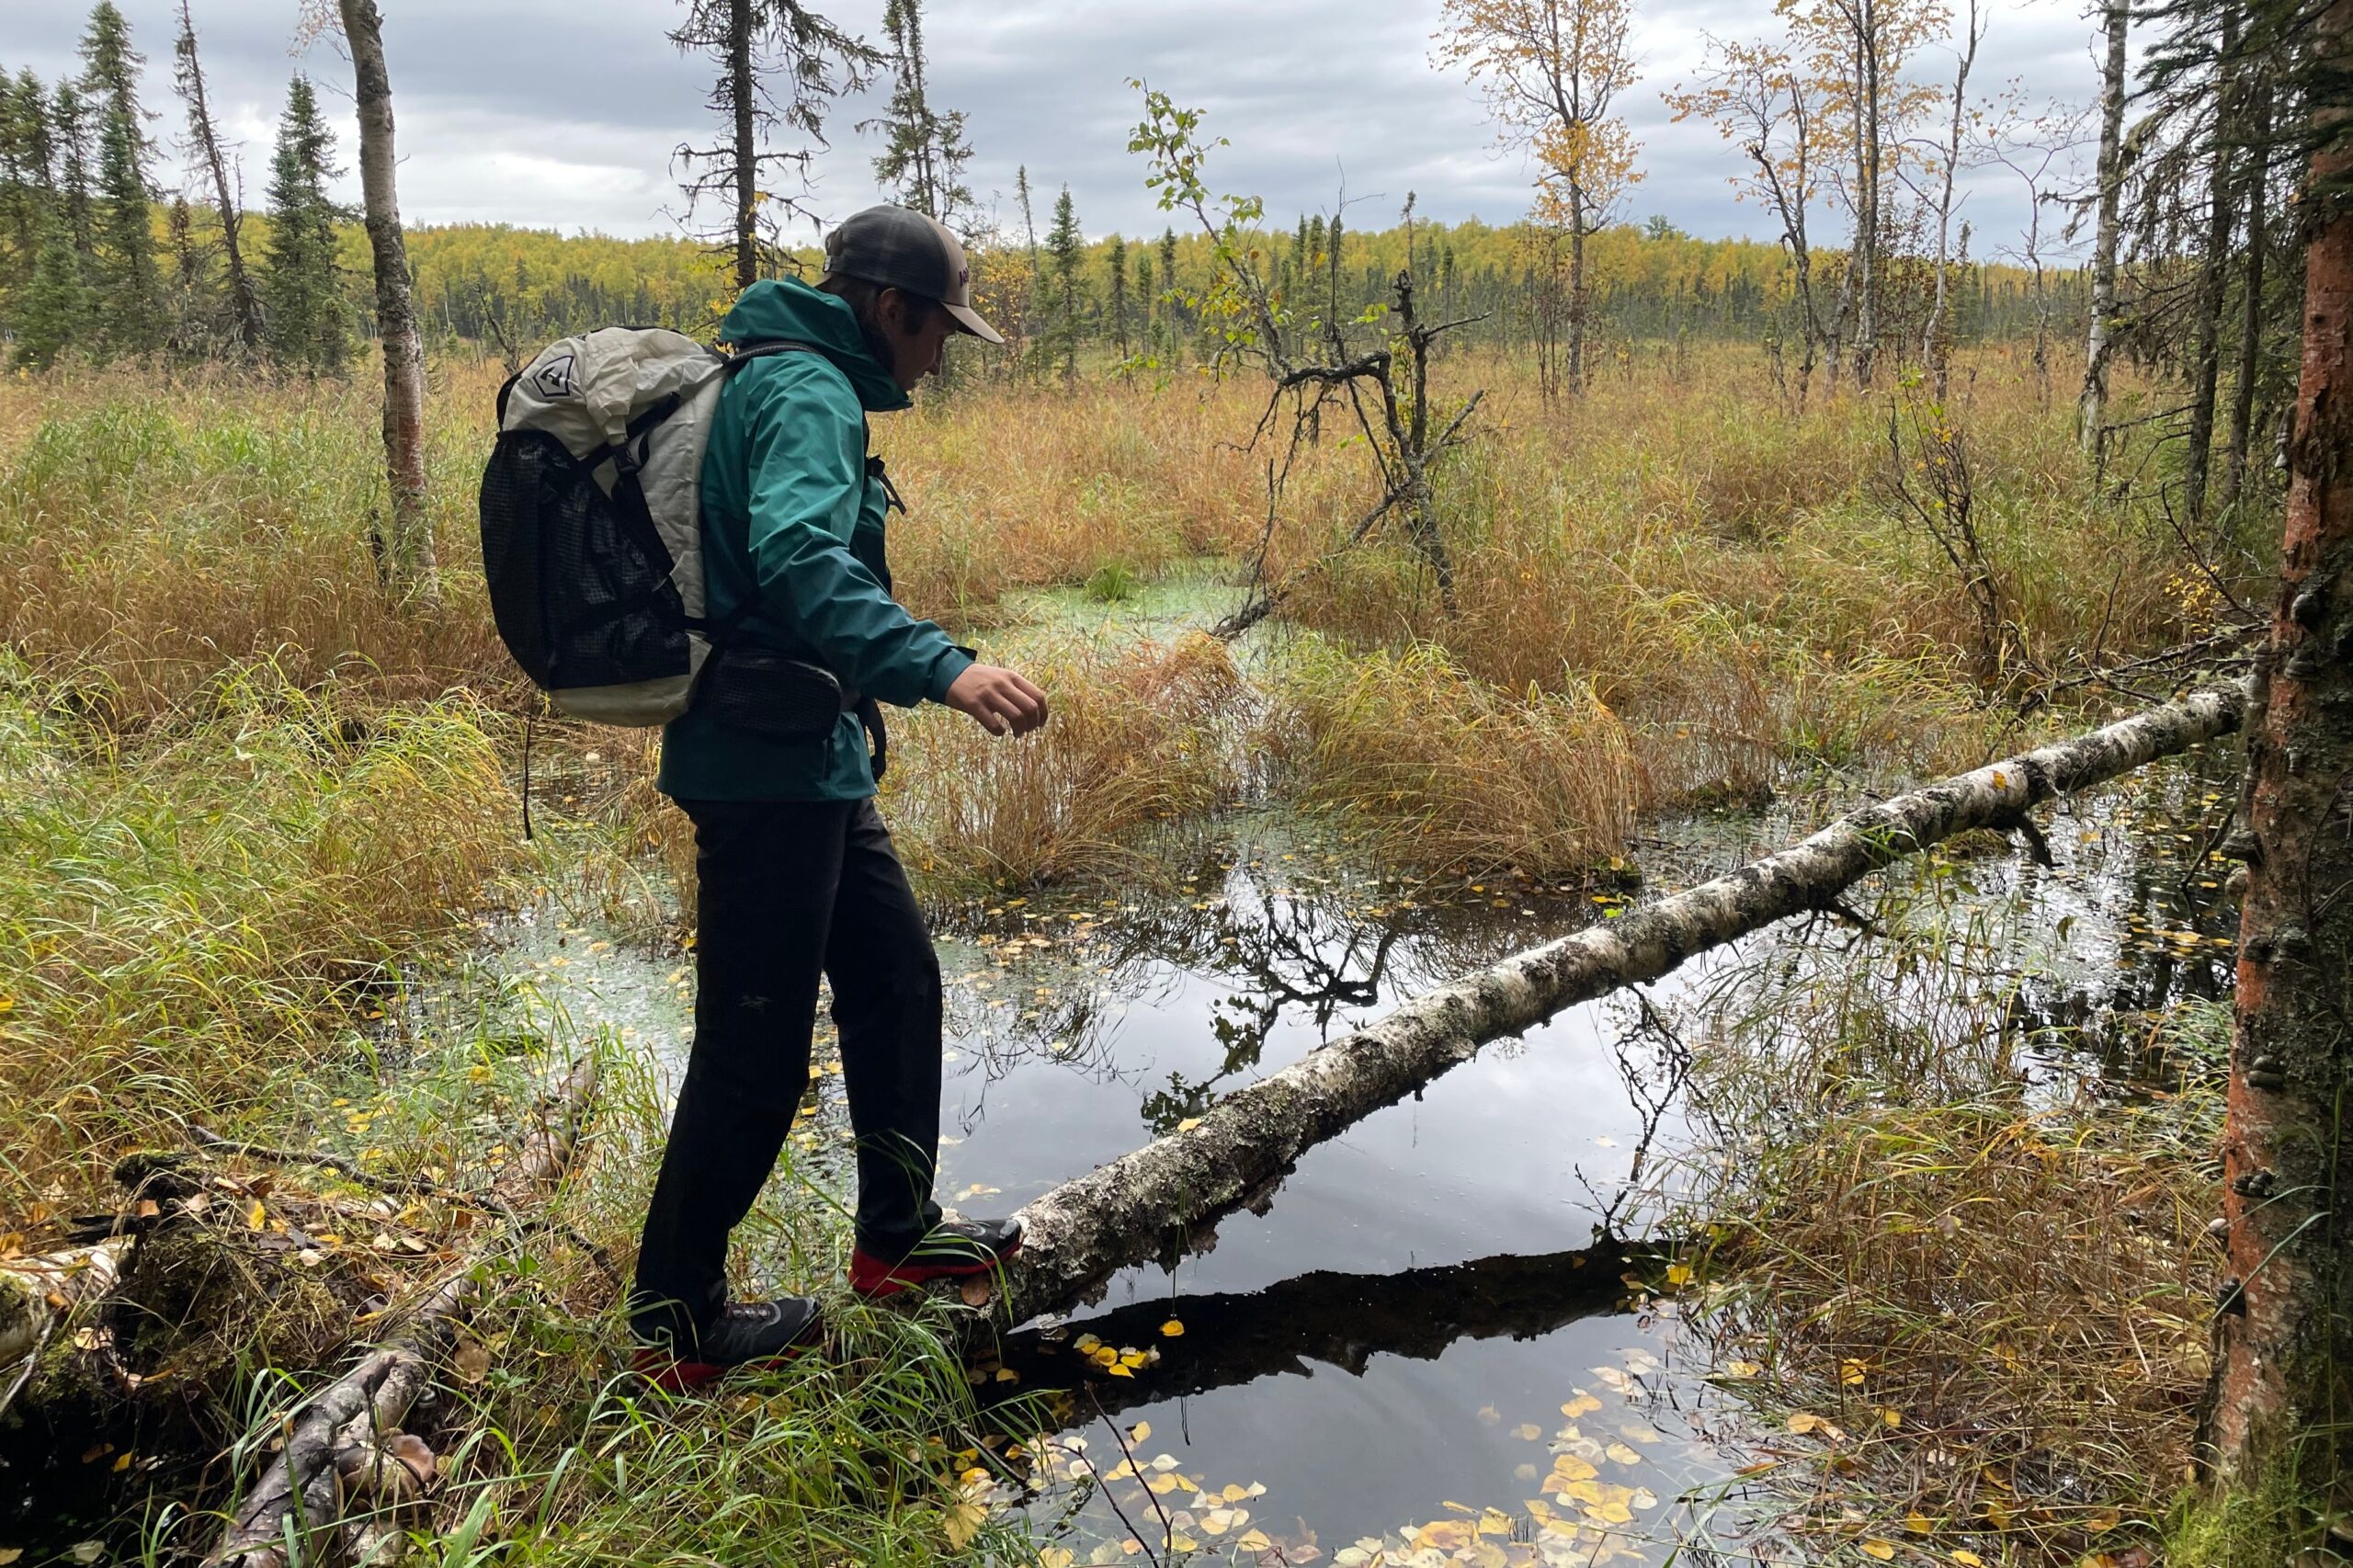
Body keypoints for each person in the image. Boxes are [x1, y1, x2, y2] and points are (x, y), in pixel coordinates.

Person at [628, 206, 1048, 1392]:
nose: (942, 354)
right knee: (755, 1050)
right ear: (889, 307)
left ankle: (897, 1241)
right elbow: (801, 565)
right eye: (940, 329)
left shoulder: (775, 374)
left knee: (895, 979)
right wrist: (944, 666)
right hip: (766, 771)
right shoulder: (806, 391)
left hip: (809, 759)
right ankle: (674, 1325)